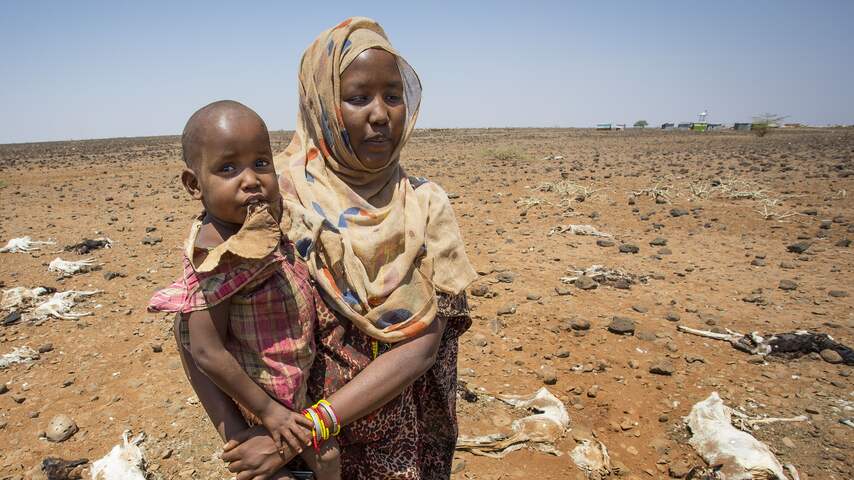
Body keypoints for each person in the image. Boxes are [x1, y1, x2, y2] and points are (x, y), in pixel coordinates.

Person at [179, 17, 478, 479]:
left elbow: (424, 344)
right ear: (320, 103)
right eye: (359, 98)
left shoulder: (424, 206)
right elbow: (195, 331)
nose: (381, 114)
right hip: (292, 449)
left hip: (389, 446)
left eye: (393, 96)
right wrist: (243, 437)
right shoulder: (267, 196)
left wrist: (314, 428)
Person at [148, 100, 340, 480]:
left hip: (292, 383)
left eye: (261, 163)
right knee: (299, 465)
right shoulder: (216, 253)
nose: (251, 179)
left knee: (329, 458)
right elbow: (203, 347)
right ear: (194, 184)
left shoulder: (256, 222)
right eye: (228, 168)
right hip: (260, 397)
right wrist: (267, 413)